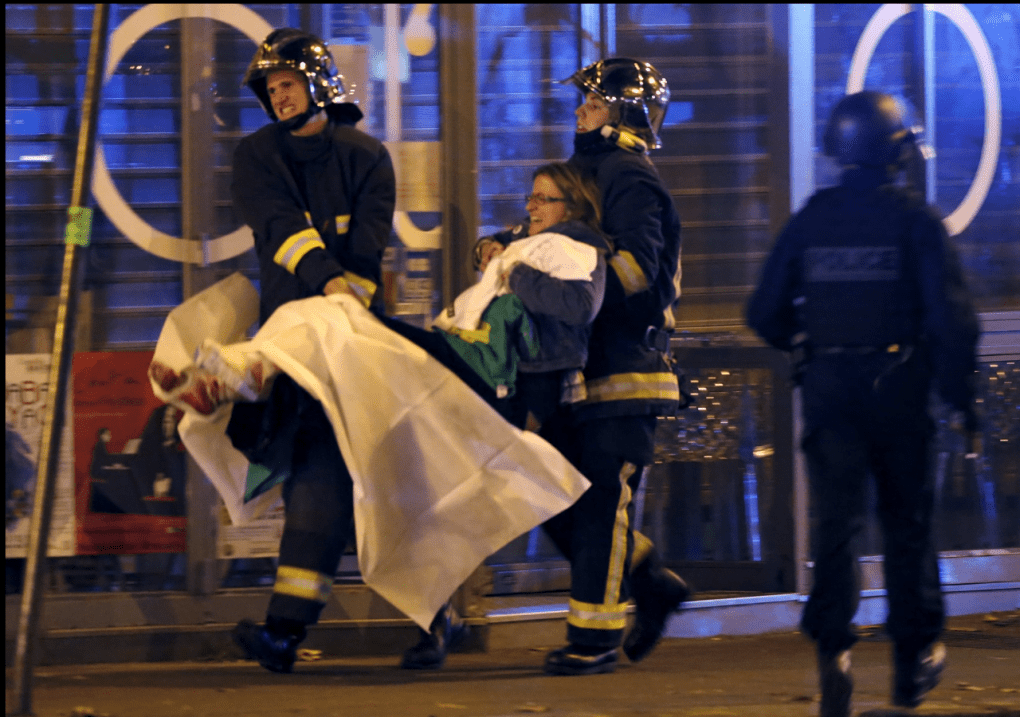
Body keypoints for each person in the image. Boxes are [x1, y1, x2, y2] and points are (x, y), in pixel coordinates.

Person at [746, 91, 980, 717]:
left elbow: (763, 311)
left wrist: (805, 348)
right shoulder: (915, 221)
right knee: (908, 527)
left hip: (829, 389)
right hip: (900, 387)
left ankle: (834, 656)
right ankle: (913, 662)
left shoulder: (811, 219)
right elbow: (953, 320)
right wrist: (961, 399)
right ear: (897, 150)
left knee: (837, 526)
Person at [475, 58, 690, 676]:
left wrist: (573, 285)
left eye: (593, 105)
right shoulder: (586, 175)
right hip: (578, 371)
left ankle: (593, 639)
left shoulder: (629, 176)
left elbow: (635, 272)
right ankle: (648, 578)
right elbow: (543, 237)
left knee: (597, 503)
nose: (579, 114)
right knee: (557, 495)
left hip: (624, 369)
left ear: (624, 115)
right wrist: (498, 249)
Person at [393, 162, 612, 669]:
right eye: (531, 197)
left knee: (520, 500)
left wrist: (516, 270)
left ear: (571, 208)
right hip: (497, 375)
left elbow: (578, 305)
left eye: (543, 199)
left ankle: (623, 588)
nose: (531, 207)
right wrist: (488, 251)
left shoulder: (579, 247)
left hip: (529, 386)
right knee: (459, 495)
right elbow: (494, 244)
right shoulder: (531, 237)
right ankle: (435, 617)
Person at [226, 28, 396, 674]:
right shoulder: (256, 155)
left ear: (319, 84)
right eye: (271, 90)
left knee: (340, 484)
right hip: (296, 345)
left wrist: (346, 298)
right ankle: (433, 617)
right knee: (323, 480)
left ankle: (287, 631)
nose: (278, 97)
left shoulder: (367, 157)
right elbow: (280, 229)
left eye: (288, 84)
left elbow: (370, 248)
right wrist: (330, 285)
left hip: (353, 347)